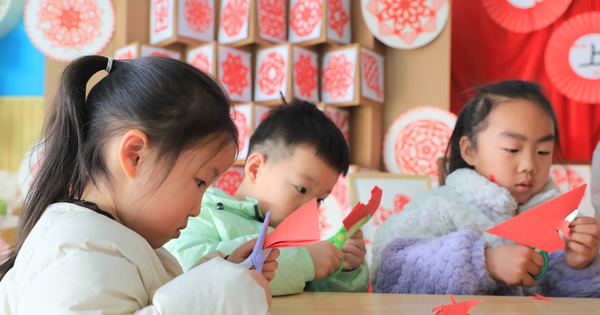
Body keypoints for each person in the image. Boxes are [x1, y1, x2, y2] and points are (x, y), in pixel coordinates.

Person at [0, 55, 280, 314]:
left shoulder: (114, 238)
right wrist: (216, 302)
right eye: (199, 182)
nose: (197, 209)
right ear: (135, 155)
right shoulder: (76, 255)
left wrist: (221, 275)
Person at [371, 80, 600, 297]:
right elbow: (390, 271)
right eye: (512, 149)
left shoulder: (562, 221)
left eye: (543, 151)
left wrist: (579, 266)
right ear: (470, 150)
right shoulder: (437, 207)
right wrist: (482, 262)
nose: (530, 165)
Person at [165, 99, 370, 295]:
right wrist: (304, 261)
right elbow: (186, 267)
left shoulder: (300, 244)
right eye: (301, 189)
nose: (310, 209)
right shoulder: (204, 211)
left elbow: (325, 299)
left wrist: (343, 269)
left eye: (319, 200)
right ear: (255, 168)